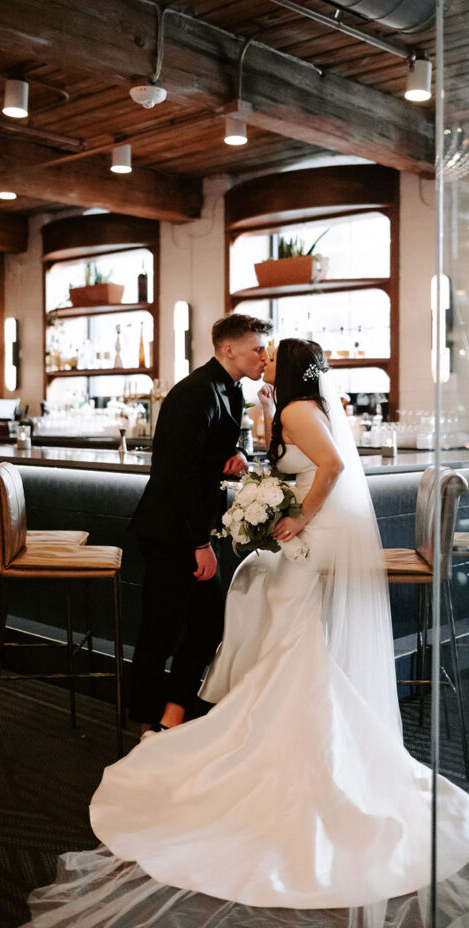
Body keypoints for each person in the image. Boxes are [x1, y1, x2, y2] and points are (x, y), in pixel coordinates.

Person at [23, 338, 469, 928]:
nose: (263, 361)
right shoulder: (293, 409)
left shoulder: (297, 410)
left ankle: (272, 731)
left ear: (291, 369)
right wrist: (252, 476)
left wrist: (297, 516)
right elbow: (305, 468)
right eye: (260, 352)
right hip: (310, 534)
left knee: (267, 597)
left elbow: (329, 468)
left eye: (271, 355)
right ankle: (276, 720)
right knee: (263, 595)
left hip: (314, 536)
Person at [127, 312, 273, 736]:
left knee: (207, 623)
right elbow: (177, 475)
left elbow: (204, 458)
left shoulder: (228, 390)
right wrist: (198, 543)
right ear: (229, 349)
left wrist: (235, 458)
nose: (264, 356)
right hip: (170, 530)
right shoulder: (196, 393)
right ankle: (145, 722)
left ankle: (173, 712)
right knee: (161, 629)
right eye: (258, 347)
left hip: (190, 527)